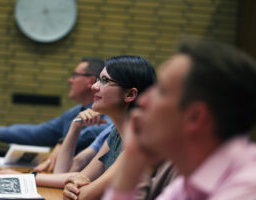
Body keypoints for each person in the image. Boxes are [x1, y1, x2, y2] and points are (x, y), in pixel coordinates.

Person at [103, 39, 256, 200]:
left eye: (161, 90)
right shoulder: (189, 182)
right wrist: (132, 162)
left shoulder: (247, 186)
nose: (142, 100)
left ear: (195, 117)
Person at [0, 57, 111, 172]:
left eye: (75, 75)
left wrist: (62, 141)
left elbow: (103, 131)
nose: (69, 80)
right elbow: (38, 133)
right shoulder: (75, 111)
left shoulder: (109, 114)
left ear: (90, 81)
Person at [62, 55, 156, 200]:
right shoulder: (116, 134)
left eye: (104, 80)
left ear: (130, 94)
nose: (94, 86)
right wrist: (73, 187)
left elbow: (84, 195)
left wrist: (76, 189)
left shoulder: (141, 142)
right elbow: (80, 179)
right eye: (99, 79)